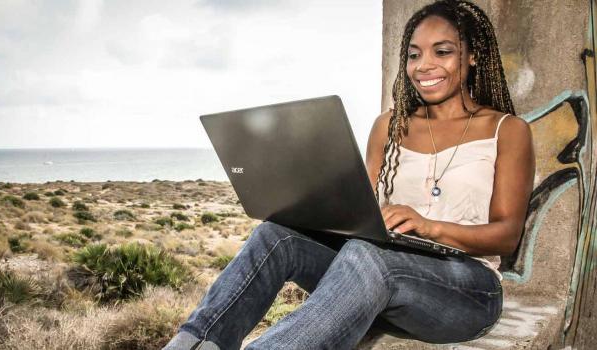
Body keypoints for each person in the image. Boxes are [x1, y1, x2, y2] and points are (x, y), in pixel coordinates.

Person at [164, 0, 535, 349]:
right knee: (274, 236)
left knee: (370, 257)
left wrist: (428, 226)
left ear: (471, 57)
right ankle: (194, 342)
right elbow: (363, 217)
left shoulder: (507, 130)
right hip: (380, 272)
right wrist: (316, 206)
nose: (424, 66)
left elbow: (505, 236)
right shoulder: (388, 126)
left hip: (466, 288)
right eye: (413, 54)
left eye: (442, 52)